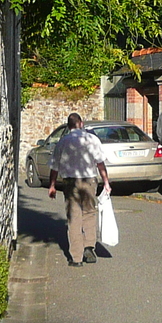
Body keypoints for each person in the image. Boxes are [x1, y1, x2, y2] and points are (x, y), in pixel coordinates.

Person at [47, 113, 111, 266]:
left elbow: (54, 167)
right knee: (89, 213)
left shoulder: (63, 141)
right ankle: (89, 246)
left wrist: (52, 185)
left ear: (69, 126)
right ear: (81, 123)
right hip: (89, 180)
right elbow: (100, 163)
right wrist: (106, 182)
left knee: (74, 218)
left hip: (71, 182)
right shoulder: (92, 139)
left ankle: (76, 257)